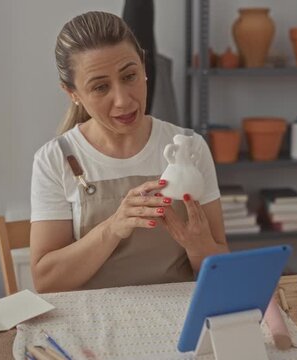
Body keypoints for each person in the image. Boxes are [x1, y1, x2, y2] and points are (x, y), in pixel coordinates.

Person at [30, 11, 228, 293]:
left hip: (178, 319)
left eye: (130, 76)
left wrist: (198, 246)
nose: (123, 100)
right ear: (72, 93)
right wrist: (113, 228)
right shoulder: (55, 159)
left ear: (143, 66)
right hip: (91, 324)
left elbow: (220, 271)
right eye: (100, 87)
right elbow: (47, 282)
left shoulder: (190, 147)